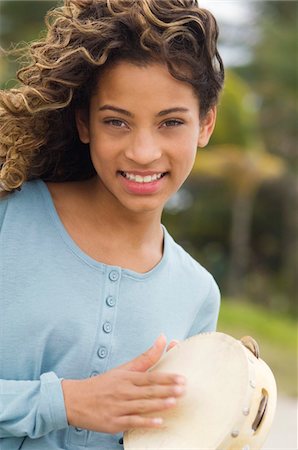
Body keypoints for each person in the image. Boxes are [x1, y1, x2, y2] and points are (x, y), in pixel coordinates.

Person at [0, 0, 224, 448]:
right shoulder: (9, 220)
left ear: (205, 124)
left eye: (171, 122)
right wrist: (63, 403)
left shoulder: (198, 295)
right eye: (117, 121)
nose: (143, 152)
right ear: (84, 123)